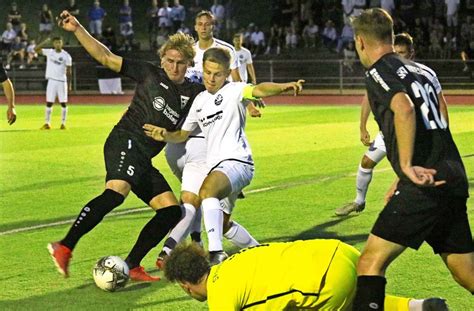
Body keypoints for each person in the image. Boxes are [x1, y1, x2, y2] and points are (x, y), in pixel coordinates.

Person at [47, 11, 204, 282]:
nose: (174, 67)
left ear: (189, 63)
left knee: (171, 211)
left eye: (180, 62)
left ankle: (131, 264)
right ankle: (65, 245)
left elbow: (216, 99)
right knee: (117, 192)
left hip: (143, 156)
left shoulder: (194, 92)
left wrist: (247, 100)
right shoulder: (149, 73)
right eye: (169, 60)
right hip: (125, 140)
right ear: (162, 59)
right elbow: (106, 56)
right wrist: (77, 29)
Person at [350, 9, 473, 310]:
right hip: (451, 174)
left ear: (361, 42)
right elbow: (439, 121)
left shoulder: (378, 71)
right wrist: (403, 174)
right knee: (466, 272)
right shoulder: (423, 71)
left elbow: (403, 108)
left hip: (425, 184)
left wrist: (405, 167)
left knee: (369, 263)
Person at [144, 47, 304, 264]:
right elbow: (182, 135)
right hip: (219, 169)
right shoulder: (200, 101)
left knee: (206, 192)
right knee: (223, 224)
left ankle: (216, 253)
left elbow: (259, 90)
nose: (211, 78)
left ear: (227, 74)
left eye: (217, 74)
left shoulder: (235, 90)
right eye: (208, 72)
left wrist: (285, 87)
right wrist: (165, 134)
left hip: (238, 163)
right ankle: (261, 253)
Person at [154, 11, 262, 267]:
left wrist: (248, 103)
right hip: (183, 134)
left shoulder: (224, 51)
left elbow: (236, 84)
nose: (203, 27)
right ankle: (199, 242)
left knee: (202, 196)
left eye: (208, 23)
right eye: (199, 24)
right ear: (195, 26)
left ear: (213, 26)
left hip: (208, 138)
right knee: (193, 199)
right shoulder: (187, 53)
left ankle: (204, 248)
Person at [335, 32, 450, 216]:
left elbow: (441, 105)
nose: (398, 56)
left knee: (409, 174)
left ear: (411, 53)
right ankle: (359, 201)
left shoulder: (425, 73)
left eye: (402, 52)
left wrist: (442, 133)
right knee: (366, 162)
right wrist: (362, 126)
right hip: (388, 132)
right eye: (395, 52)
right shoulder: (386, 71)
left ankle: (413, 211)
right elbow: (368, 98)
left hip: (414, 133)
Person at [164, 240, 448, 310]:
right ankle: (419, 306)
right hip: (341, 252)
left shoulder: (221, 296)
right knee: (361, 301)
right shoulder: (234, 260)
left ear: (186, 285)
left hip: (326, 281)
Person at [35, 37, 72, 130]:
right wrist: (44, 42)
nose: (57, 44)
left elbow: (69, 71)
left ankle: (63, 123)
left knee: (63, 103)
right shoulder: (50, 52)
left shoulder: (66, 56)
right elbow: (35, 49)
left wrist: (69, 83)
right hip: (51, 80)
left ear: (62, 43)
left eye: (59, 42)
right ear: (53, 44)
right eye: (56, 43)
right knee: (49, 102)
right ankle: (47, 123)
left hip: (61, 81)